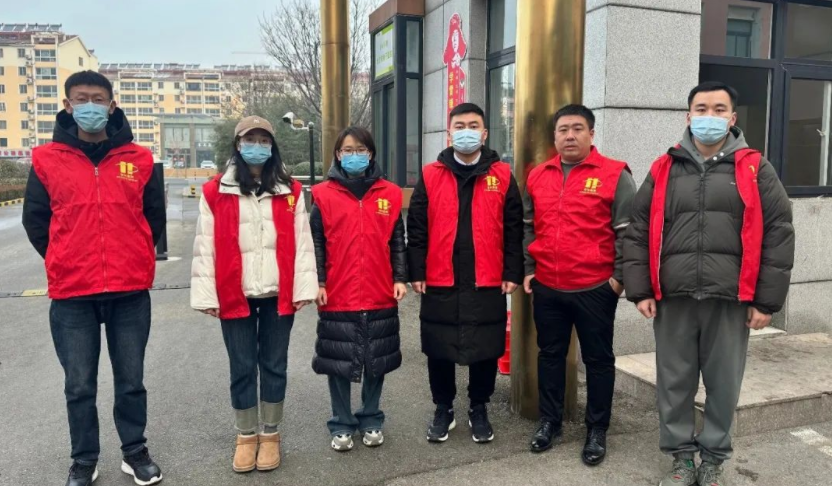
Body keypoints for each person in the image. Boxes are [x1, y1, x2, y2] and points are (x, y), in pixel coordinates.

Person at [623, 81, 794, 486]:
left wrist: (766, 302)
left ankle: (713, 459)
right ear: (688, 116)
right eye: (701, 109)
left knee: (723, 385)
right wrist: (641, 289)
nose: (709, 117)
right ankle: (681, 459)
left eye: (719, 110)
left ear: (732, 118)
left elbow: (779, 231)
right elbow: (638, 228)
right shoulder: (664, 168)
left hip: (730, 299)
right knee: (674, 383)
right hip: (675, 298)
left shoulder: (755, 168)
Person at [22, 71, 166, 486]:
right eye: (81, 99)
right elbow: (36, 221)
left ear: (112, 105)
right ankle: (84, 459)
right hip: (73, 294)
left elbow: (152, 218)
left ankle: (135, 451)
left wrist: (133, 254)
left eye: (98, 99)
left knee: (131, 379)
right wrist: (64, 257)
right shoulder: (47, 160)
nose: (90, 106)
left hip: (129, 290)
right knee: (79, 385)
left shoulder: (138, 159)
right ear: (68, 106)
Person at [190, 116, 317, 474]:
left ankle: (271, 433)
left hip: (278, 292)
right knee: (242, 365)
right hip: (236, 291)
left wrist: (303, 288)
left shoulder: (290, 190)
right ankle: (246, 435)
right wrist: (206, 296)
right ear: (238, 145)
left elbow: (303, 242)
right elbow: (205, 245)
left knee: (274, 364)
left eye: (264, 140)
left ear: (272, 146)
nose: (257, 146)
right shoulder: (216, 191)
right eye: (250, 140)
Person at [522, 104, 636, 464]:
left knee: (598, 360)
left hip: (595, 287)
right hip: (548, 286)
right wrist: (529, 268)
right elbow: (528, 226)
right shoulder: (538, 175)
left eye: (577, 129)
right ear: (554, 136)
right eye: (563, 130)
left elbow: (629, 233)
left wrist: (618, 280)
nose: (570, 136)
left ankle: (597, 429)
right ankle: (550, 422)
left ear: (591, 134)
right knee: (550, 355)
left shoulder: (615, 174)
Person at [407, 102, 524, 444]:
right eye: (460, 126)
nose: (466, 132)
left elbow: (514, 229)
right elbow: (417, 227)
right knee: (438, 345)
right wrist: (417, 270)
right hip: (440, 275)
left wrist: (512, 271)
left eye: (473, 126)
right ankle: (443, 407)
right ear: (450, 132)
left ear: (484, 133)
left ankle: (479, 406)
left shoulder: (502, 175)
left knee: (485, 346)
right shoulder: (431, 174)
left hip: (486, 275)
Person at [309, 126, 407, 452]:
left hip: (380, 289)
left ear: (371, 153)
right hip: (338, 291)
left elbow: (397, 241)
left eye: (360, 149)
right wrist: (318, 281)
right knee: (338, 361)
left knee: (376, 359)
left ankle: (371, 417)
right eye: (347, 150)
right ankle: (341, 422)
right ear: (338, 155)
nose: (354, 155)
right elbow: (316, 243)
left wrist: (400, 277)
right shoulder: (323, 195)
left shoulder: (389, 193)